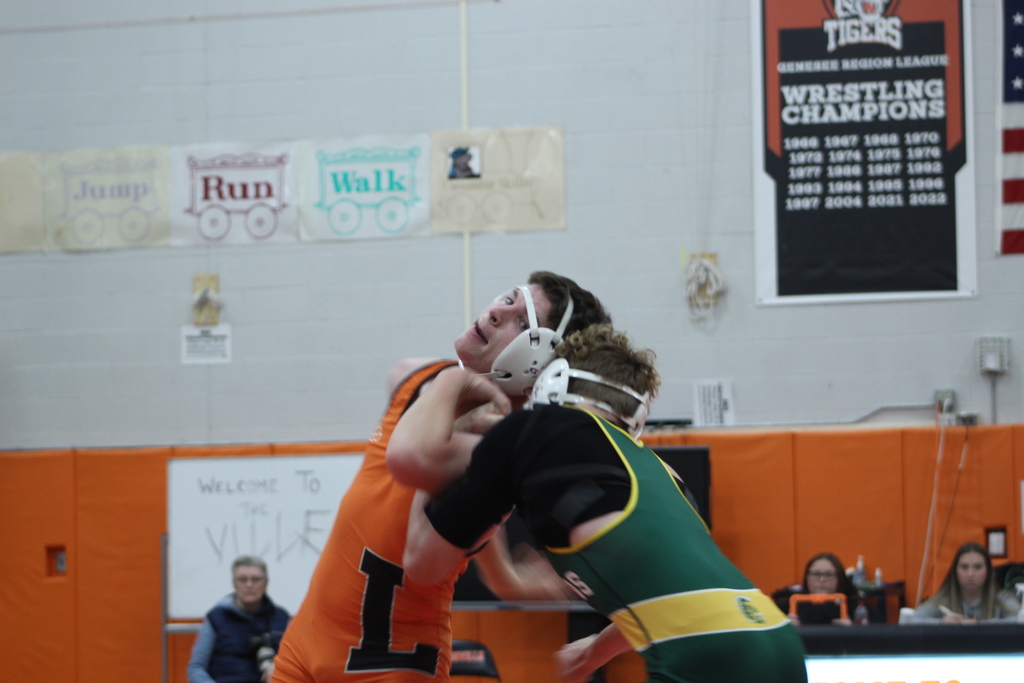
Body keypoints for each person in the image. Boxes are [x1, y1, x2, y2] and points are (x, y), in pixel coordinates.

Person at [398, 325, 808, 683]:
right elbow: (672, 597)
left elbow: (421, 555)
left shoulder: (536, 429)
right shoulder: (665, 473)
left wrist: (451, 382)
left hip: (705, 654)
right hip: (774, 636)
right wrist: (596, 650)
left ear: (551, 384)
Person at [272, 272, 611, 683]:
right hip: (306, 639)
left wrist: (455, 380)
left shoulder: (502, 447)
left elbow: (418, 465)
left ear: (541, 361)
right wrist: (505, 575)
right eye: (507, 299)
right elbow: (460, 510)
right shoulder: (418, 379)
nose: (497, 311)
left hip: (386, 659)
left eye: (523, 322)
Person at [188, 556, 291, 683]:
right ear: (234, 583)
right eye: (242, 579)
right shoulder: (216, 617)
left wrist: (281, 669)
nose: (249, 585)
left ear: (266, 583)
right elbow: (196, 668)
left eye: (256, 579)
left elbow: (297, 664)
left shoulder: (281, 618)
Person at [910, 541, 1022, 624]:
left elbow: (1020, 620)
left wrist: (981, 626)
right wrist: (941, 622)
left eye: (977, 567)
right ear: (955, 571)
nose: (970, 574)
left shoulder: (1001, 599)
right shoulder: (943, 600)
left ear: (988, 571)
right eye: (964, 567)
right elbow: (911, 620)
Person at [781, 553, 858, 626]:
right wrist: (786, 629)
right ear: (806, 577)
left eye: (829, 574)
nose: (822, 579)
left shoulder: (856, 606)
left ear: (839, 578)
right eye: (816, 574)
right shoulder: (787, 606)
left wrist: (852, 630)